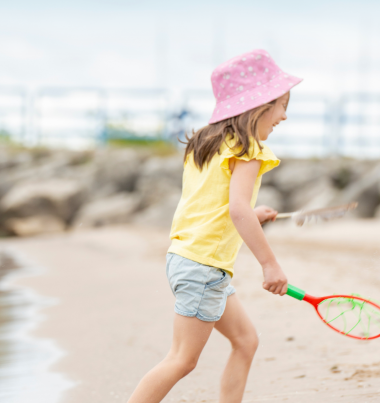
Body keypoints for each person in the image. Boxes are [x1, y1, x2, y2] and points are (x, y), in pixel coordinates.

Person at [127, 49, 303, 403]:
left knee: (246, 341)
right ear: (259, 105)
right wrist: (270, 264)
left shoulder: (207, 143)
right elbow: (237, 209)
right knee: (182, 359)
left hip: (188, 259)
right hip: (204, 266)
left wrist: (254, 215)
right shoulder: (250, 150)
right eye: (281, 104)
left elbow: (214, 208)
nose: (284, 116)